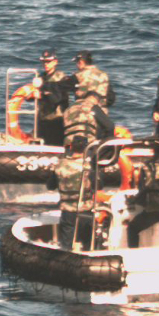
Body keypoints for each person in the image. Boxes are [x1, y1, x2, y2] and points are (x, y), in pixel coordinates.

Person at [51, 81, 114, 249]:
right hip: (88, 149)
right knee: (89, 180)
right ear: (94, 100)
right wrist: (104, 150)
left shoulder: (68, 109)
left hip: (68, 148)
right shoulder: (93, 107)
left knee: (67, 176)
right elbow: (109, 126)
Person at [33, 50, 69, 147]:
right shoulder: (40, 77)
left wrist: (42, 94)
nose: (46, 64)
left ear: (55, 62)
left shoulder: (61, 78)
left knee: (56, 144)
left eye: (48, 62)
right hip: (42, 118)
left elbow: (57, 98)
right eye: (44, 62)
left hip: (56, 120)